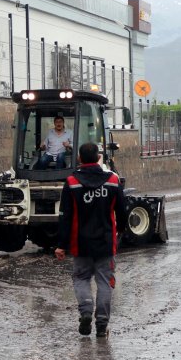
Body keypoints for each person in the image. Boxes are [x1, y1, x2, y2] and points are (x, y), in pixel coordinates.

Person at [55, 142, 127, 337]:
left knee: (81, 278)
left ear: (79, 158)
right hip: (105, 243)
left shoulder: (71, 182)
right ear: (98, 158)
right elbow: (122, 211)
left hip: (80, 244)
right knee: (104, 281)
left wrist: (61, 245)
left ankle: (86, 311)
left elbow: (65, 217)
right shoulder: (113, 180)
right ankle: (102, 325)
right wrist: (120, 231)